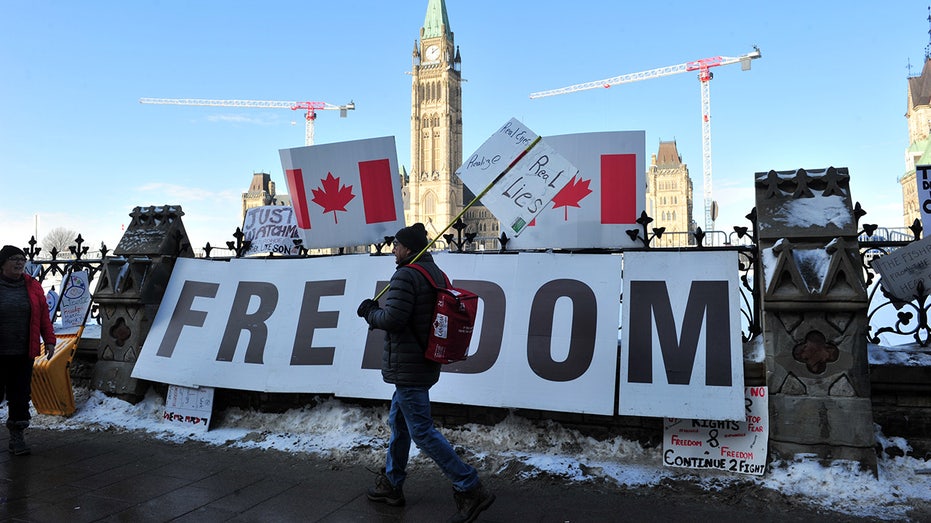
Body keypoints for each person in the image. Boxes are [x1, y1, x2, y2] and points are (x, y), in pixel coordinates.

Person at [357, 223, 495, 523]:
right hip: (423, 361)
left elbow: (394, 319)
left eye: (397, 245)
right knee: (400, 423)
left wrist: (370, 312)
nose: (393, 249)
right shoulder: (434, 272)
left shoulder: (406, 274)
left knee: (420, 431)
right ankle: (392, 484)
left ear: (408, 248)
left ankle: (469, 486)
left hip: (408, 366)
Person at [0, 245, 56, 455]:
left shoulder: (33, 286)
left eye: (22, 259)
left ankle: (17, 436)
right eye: (14, 259)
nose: (19, 263)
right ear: (3, 263)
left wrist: (49, 340)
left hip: (24, 351)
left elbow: (43, 316)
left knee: (20, 395)